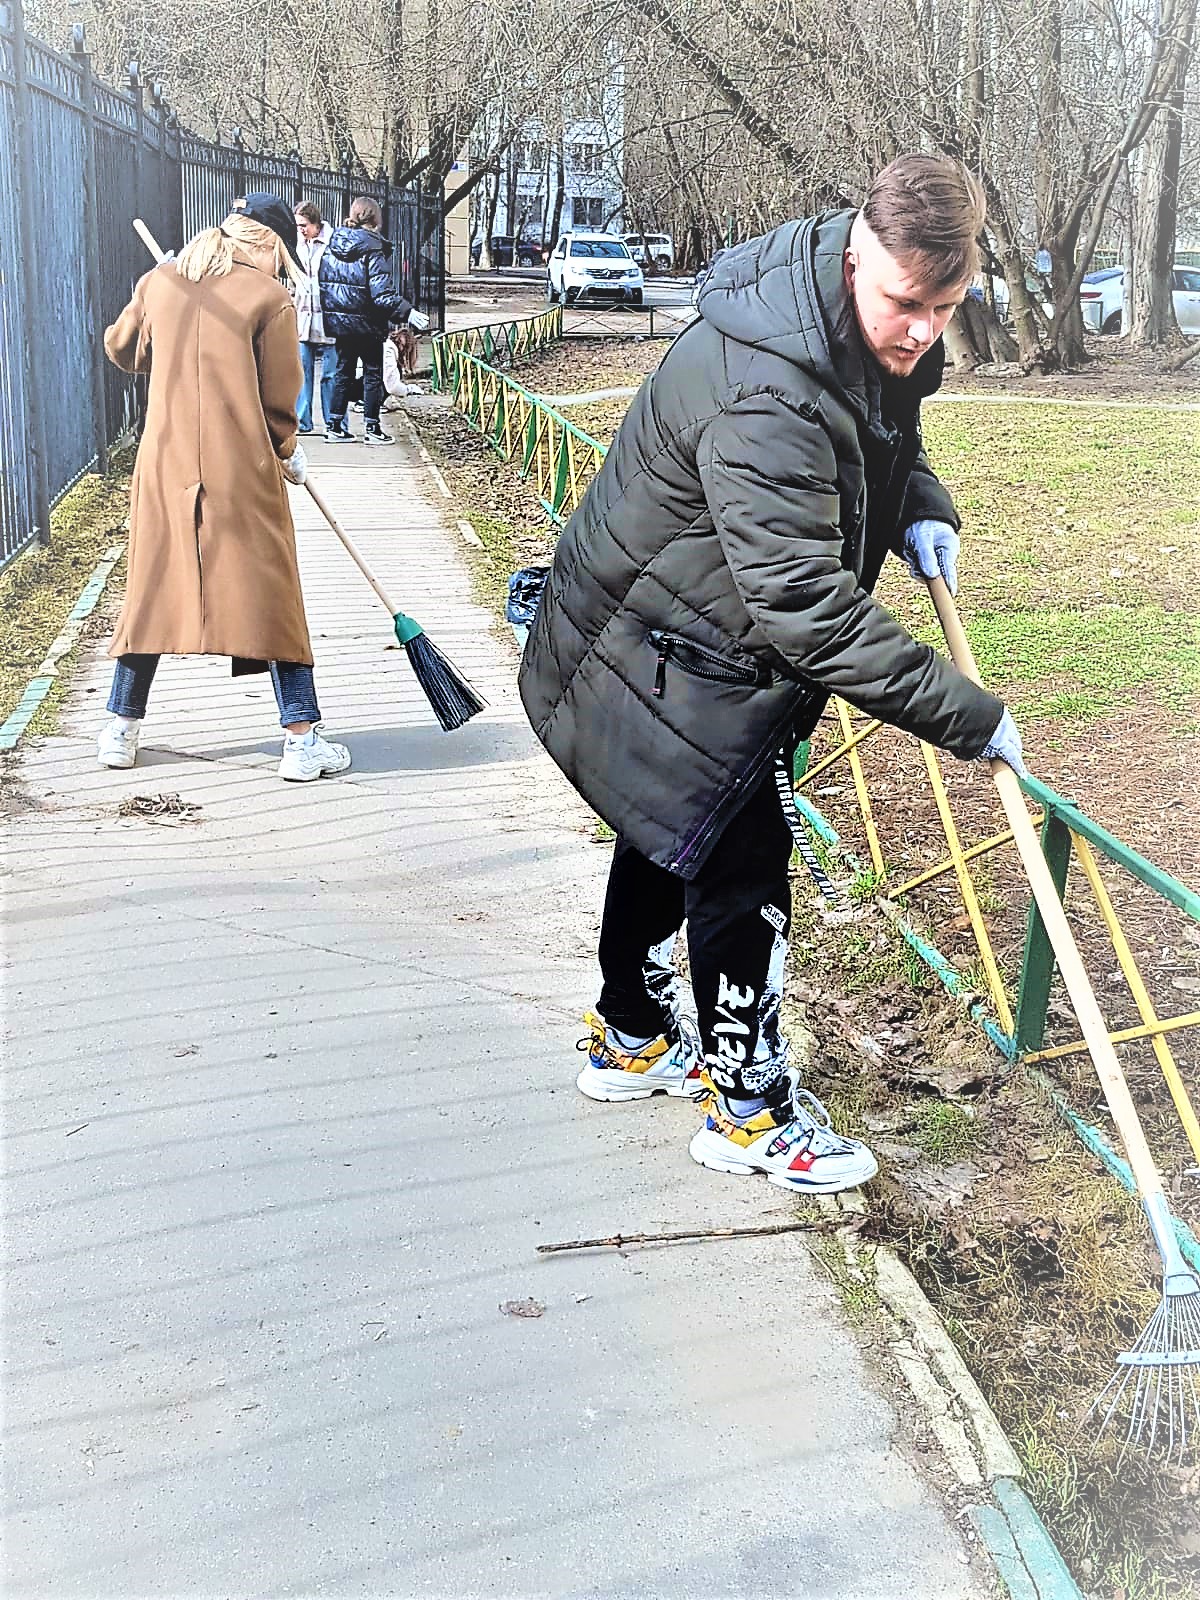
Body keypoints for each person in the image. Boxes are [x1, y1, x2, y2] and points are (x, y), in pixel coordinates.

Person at [518, 154, 1026, 1194]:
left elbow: (886, 436)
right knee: (740, 862)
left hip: (682, 626)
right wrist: (967, 717)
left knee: (670, 819)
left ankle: (632, 1036)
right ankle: (747, 1109)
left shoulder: (848, 321)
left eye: (946, 306)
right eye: (906, 303)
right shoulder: (769, 390)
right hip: (668, 640)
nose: (924, 330)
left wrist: (920, 502)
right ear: (856, 254)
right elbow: (804, 608)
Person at [96, 191, 351, 784]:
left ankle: (120, 730)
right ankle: (302, 742)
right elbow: (277, 398)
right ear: (273, 246)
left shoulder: (162, 282)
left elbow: (122, 349)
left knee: (152, 588)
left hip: (166, 466)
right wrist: (288, 451)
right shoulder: (269, 297)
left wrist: (150, 297)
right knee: (272, 596)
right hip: (244, 473)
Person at [318, 196, 430, 445]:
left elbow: (325, 284)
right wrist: (407, 312)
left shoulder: (333, 244)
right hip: (368, 324)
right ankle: (372, 429)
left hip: (341, 325)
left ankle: (334, 426)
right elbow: (382, 294)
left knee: (343, 373)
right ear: (376, 219)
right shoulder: (372, 248)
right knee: (372, 374)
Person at [293, 200, 335, 434]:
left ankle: (333, 421)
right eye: (298, 225)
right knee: (302, 371)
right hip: (303, 315)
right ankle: (303, 420)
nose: (301, 230)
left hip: (328, 317)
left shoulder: (332, 243)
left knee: (330, 373)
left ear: (316, 223)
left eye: (304, 225)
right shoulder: (297, 244)